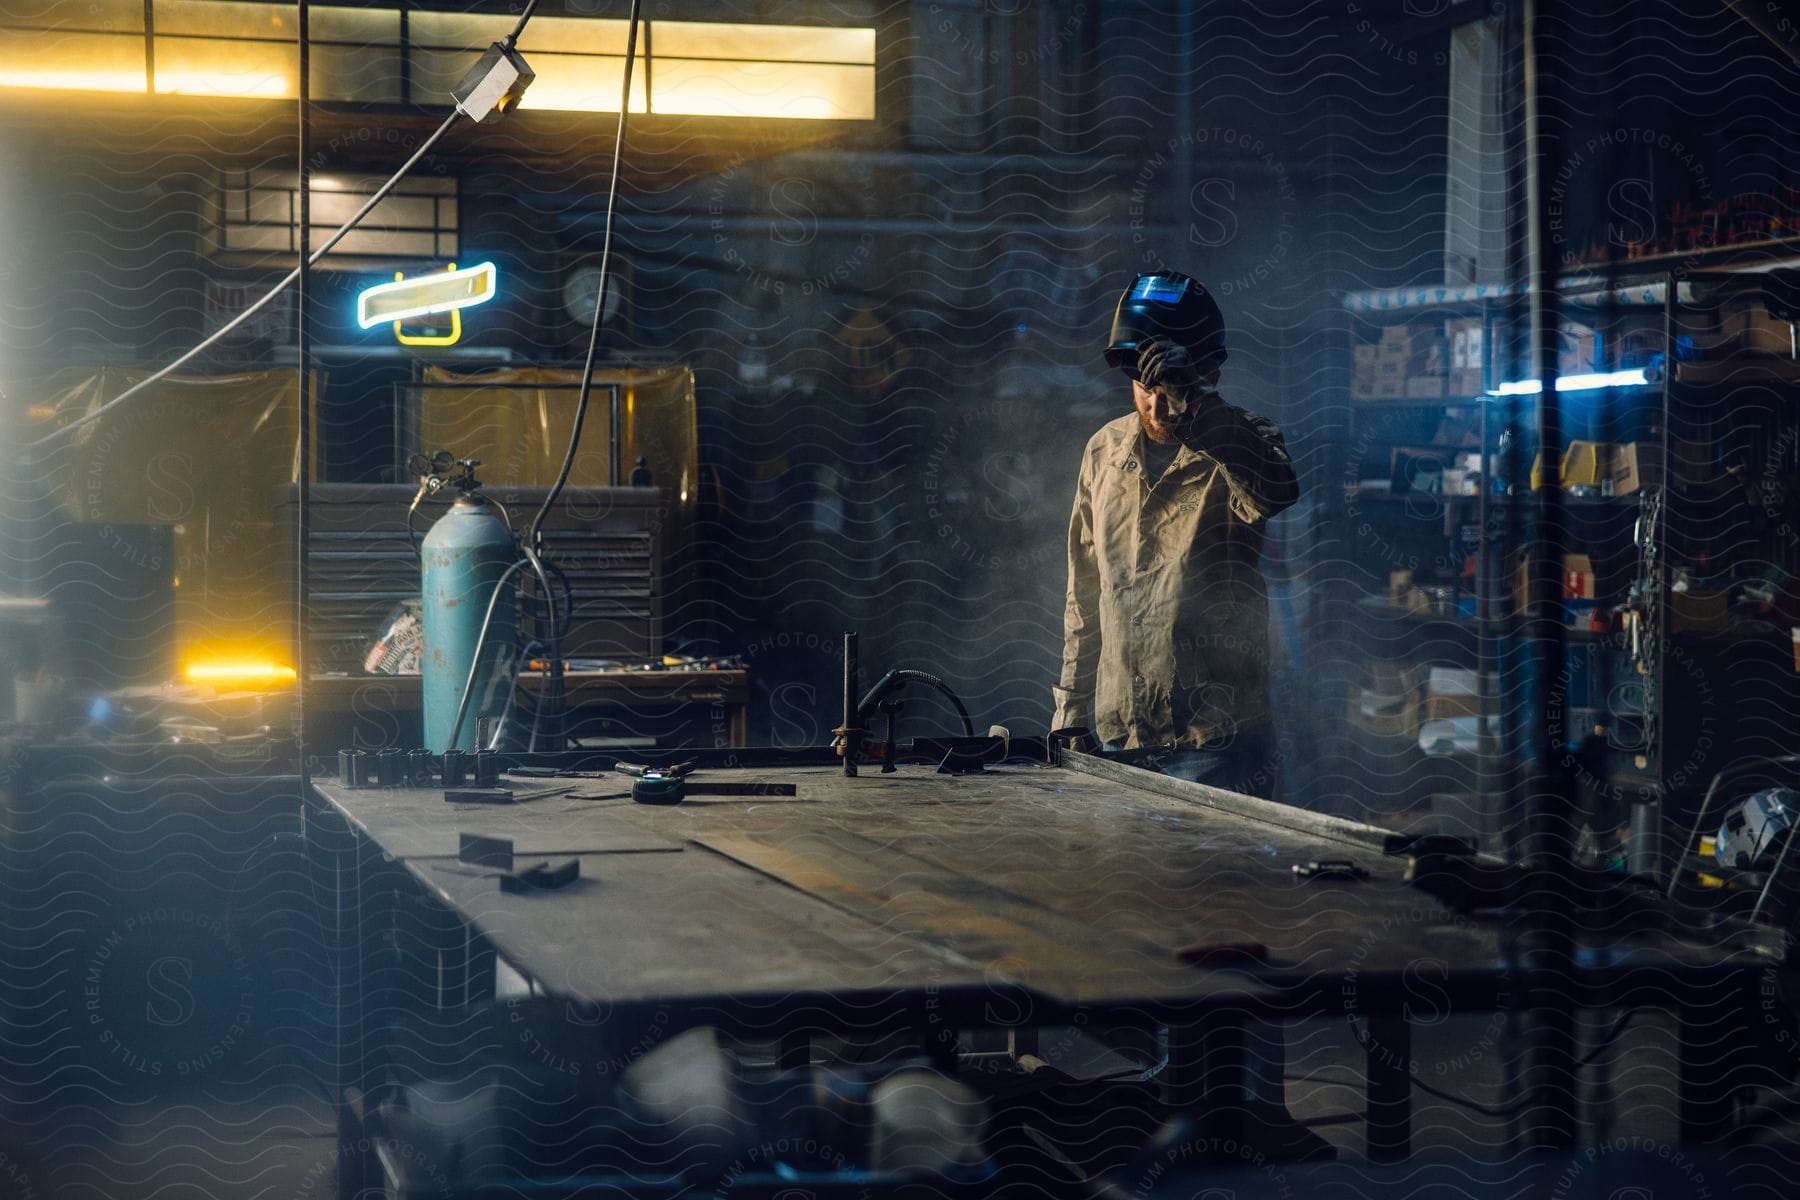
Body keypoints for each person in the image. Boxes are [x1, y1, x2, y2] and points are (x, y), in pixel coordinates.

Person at [1052, 272, 1299, 797]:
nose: (1158, 409)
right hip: (1120, 734)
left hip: (1214, 741)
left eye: (1172, 393)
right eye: (1147, 390)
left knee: (1218, 878)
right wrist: (1071, 715)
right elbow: (1085, 596)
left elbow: (1274, 492)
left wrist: (1199, 409)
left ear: (1207, 373)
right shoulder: (1104, 452)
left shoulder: (1242, 440)